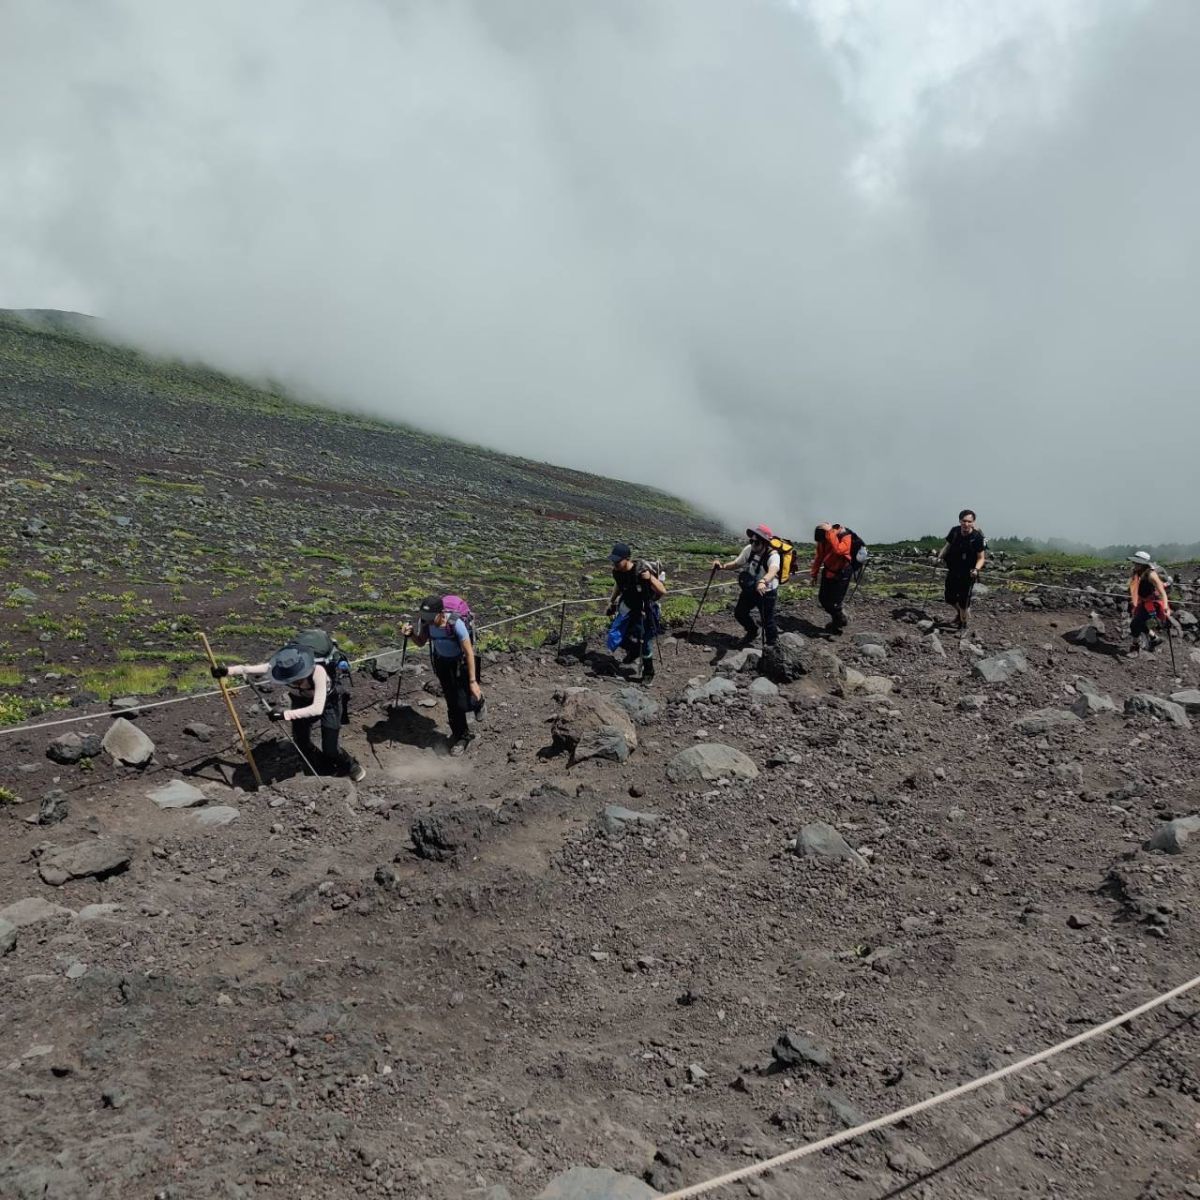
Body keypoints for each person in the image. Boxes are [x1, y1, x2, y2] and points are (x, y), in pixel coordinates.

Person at [212, 635, 365, 780]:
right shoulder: (281, 669)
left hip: (329, 703)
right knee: (301, 742)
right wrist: (227, 671)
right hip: (300, 701)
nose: (292, 681)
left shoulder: (318, 672)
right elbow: (249, 669)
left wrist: (285, 714)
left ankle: (351, 766)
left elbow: (317, 708)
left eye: (297, 679)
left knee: (330, 747)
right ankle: (323, 766)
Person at [403, 595, 483, 755]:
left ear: (441, 613)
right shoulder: (427, 623)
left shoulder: (456, 624)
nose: (428, 621)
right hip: (442, 663)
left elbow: (469, 652)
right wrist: (410, 634)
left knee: (464, 699)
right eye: (425, 618)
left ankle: (478, 702)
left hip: (460, 663)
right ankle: (461, 735)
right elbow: (421, 642)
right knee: (453, 702)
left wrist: (473, 681)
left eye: (431, 618)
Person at [606, 543, 667, 681]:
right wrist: (611, 601)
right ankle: (634, 651)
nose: (615, 563)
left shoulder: (640, 571)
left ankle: (648, 673)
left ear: (627, 559)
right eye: (613, 561)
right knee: (616, 635)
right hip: (627, 607)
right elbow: (619, 586)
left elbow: (662, 590)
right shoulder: (617, 572)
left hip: (644, 609)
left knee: (645, 642)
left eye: (617, 561)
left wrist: (650, 578)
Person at [713, 524, 780, 646]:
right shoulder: (749, 549)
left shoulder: (773, 556)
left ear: (765, 543)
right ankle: (752, 631)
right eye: (751, 541)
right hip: (751, 588)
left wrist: (763, 581)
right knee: (740, 613)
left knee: (767, 620)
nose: (753, 544)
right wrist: (722, 566)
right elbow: (737, 563)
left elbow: (773, 571)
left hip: (767, 591)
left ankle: (772, 645)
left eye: (757, 542)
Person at [937, 509, 987, 628]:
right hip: (953, 569)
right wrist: (939, 558)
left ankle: (963, 624)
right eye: (964, 521)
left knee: (964, 601)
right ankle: (961, 614)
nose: (966, 524)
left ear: (973, 522)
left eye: (969, 521)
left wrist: (976, 569)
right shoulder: (954, 532)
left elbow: (981, 558)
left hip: (968, 573)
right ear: (960, 521)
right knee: (949, 598)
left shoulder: (977, 537)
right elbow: (947, 546)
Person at [811, 523, 853, 633]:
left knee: (835, 602)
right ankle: (839, 618)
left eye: (822, 540)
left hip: (842, 572)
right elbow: (819, 557)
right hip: (828, 570)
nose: (821, 543)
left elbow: (839, 550)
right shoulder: (822, 542)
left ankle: (837, 623)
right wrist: (814, 574)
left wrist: (830, 533)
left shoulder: (845, 536)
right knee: (823, 599)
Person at [1127, 551, 1172, 654]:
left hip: (1153, 603)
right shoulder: (1136, 571)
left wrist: (1166, 607)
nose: (1135, 564)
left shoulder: (1151, 575)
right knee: (1140, 623)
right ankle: (1154, 638)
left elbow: (1162, 592)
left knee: (1135, 624)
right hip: (1143, 601)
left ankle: (1135, 646)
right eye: (1135, 562)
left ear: (1143, 564)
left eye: (1138, 563)